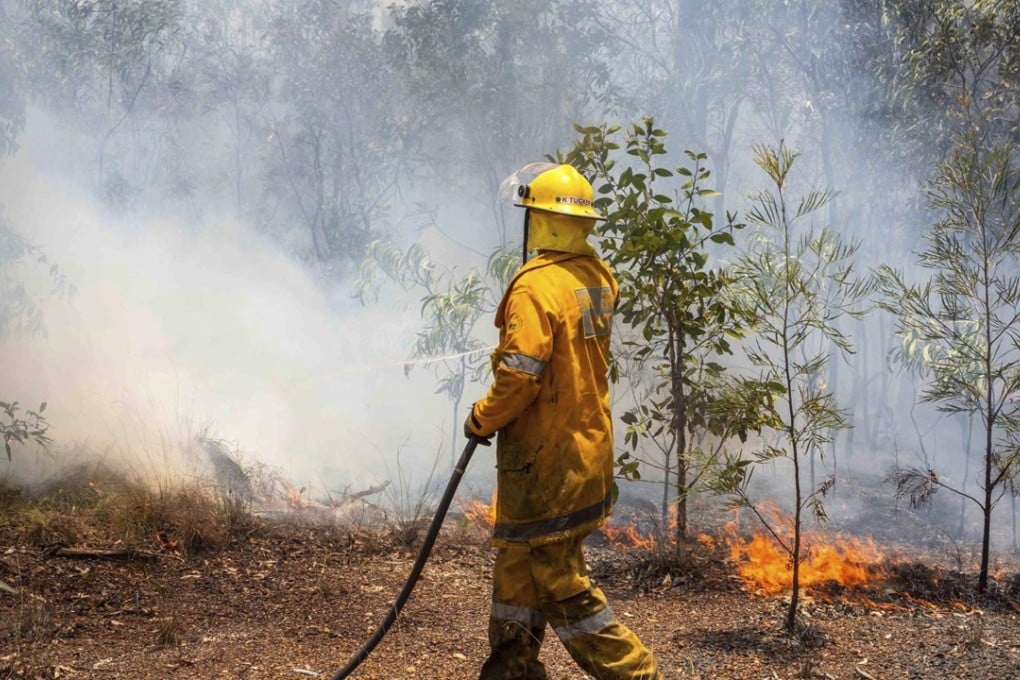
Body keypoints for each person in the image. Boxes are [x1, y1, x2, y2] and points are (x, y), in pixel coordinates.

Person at [464, 163, 662, 680]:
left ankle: (637, 674)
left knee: (559, 580)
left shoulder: (534, 289)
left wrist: (482, 420)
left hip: (546, 464)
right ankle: (511, 671)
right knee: (516, 569)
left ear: (542, 221)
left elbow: (519, 377)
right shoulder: (597, 274)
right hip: (586, 451)